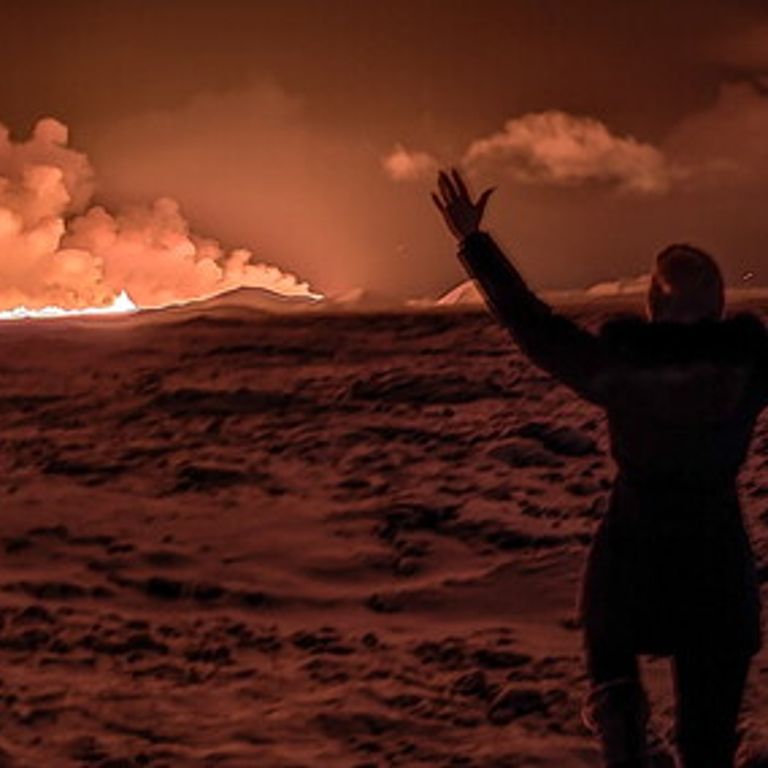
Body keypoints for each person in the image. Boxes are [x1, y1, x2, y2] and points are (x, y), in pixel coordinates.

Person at [432, 168, 764, 768]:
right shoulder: (751, 369)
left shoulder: (620, 367)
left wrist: (474, 242)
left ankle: (619, 723)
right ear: (718, 307)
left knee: (611, 657)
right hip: (716, 573)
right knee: (709, 745)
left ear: (653, 308)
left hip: (632, 565)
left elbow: (533, 326)